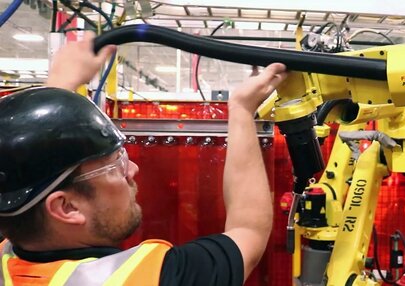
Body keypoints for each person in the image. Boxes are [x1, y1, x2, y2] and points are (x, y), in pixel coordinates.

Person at [0, 31, 287, 285]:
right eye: (116, 165)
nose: (133, 169)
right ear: (66, 206)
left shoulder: (10, 252)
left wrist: (59, 88)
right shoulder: (150, 277)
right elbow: (247, 232)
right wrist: (241, 110)